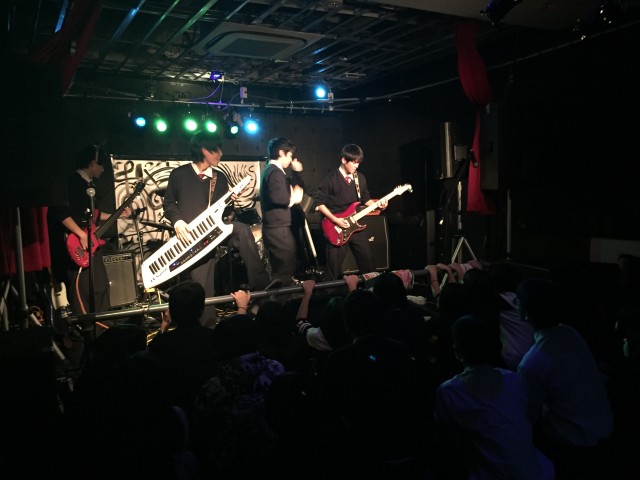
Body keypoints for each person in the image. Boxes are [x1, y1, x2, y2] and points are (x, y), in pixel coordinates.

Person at [163, 130, 270, 327]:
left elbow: (224, 213)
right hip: (193, 240)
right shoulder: (179, 174)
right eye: (216, 150)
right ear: (204, 150)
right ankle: (208, 328)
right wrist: (178, 222)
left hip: (216, 231)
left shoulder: (219, 178)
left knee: (241, 229)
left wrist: (231, 202)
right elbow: (169, 204)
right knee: (203, 289)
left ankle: (261, 285)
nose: (221, 153)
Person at [48, 144, 131, 319]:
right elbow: (60, 212)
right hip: (78, 245)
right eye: (101, 165)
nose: (103, 170)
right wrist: (81, 234)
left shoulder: (88, 185)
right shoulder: (72, 182)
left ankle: (103, 323)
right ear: (92, 163)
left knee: (101, 286)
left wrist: (117, 215)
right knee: (82, 289)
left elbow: (94, 214)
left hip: (91, 243)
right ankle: (85, 326)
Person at [313, 143, 387, 280]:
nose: (356, 166)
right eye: (354, 162)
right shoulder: (331, 179)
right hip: (336, 228)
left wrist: (379, 205)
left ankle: (371, 289)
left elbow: (365, 199)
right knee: (333, 270)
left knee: (368, 263)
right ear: (343, 160)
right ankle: (329, 292)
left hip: (355, 226)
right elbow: (319, 203)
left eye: (358, 163)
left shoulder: (360, 178)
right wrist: (336, 220)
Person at [260, 137, 303, 285]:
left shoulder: (271, 171)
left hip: (277, 227)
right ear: (281, 153)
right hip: (277, 229)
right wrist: (294, 198)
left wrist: (296, 173)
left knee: (285, 268)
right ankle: (280, 299)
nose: (290, 160)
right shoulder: (275, 172)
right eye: (289, 155)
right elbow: (279, 198)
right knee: (285, 270)